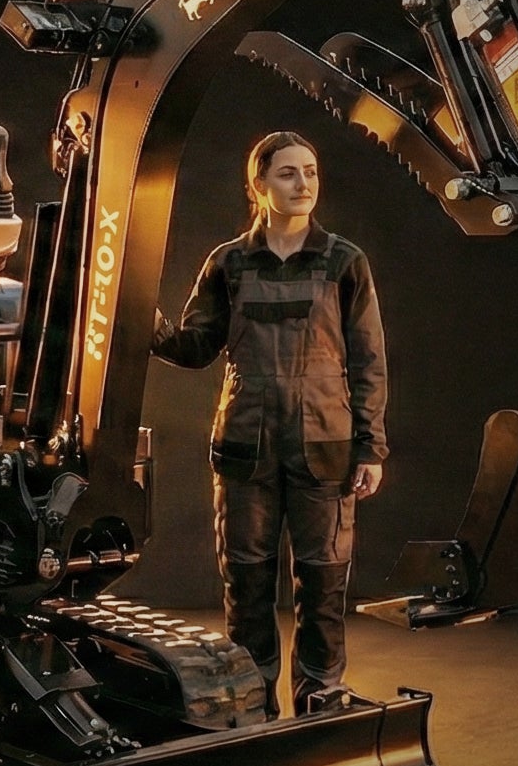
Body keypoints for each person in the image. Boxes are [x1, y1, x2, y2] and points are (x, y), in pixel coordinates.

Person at [152, 130, 391, 719]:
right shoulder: (228, 263)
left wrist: (371, 448)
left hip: (327, 447)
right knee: (247, 586)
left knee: (324, 586)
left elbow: (368, 361)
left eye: (310, 171)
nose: (303, 184)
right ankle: (252, 706)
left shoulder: (345, 262)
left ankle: (319, 703)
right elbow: (197, 347)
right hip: (244, 449)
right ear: (258, 184)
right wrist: (143, 323)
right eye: (288, 173)